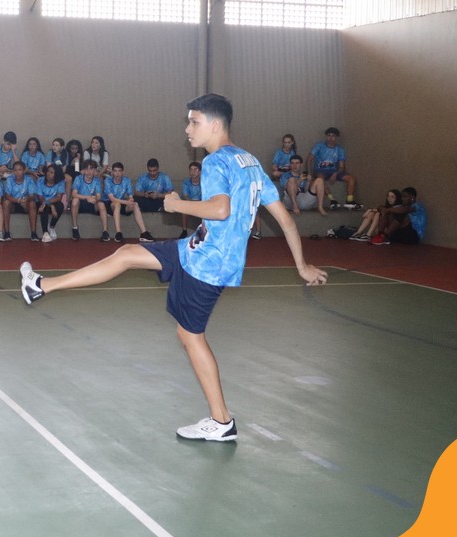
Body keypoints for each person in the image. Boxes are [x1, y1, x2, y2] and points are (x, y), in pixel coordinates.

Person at [18, 93, 327, 442]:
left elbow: (220, 209)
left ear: (214, 124)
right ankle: (40, 286)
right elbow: (285, 220)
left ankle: (222, 421)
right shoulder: (250, 162)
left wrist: (178, 204)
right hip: (194, 249)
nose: (187, 129)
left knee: (191, 336)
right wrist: (302, 266)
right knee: (127, 254)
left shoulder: (215, 162)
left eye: (194, 122)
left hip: (208, 264)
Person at [308, 127, 359, 207]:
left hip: (334, 171)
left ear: (337, 137)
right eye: (329, 135)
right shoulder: (319, 146)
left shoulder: (340, 150)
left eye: (333, 136)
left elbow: (342, 167)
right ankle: (332, 200)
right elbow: (309, 159)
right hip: (319, 170)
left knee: (351, 178)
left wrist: (335, 173)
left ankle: (349, 201)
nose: (330, 138)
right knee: (320, 179)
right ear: (326, 136)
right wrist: (309, 173)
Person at [104, 162, 153, 244]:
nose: (117, 173)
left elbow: (130, 196)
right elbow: (112, 199)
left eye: (119, 171)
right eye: (115, 171)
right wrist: (127, 202)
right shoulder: (108, 181)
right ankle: (118, 233)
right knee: (117, 204)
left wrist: (130, 200)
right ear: (112, 172)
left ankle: (144, 233)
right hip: (110, 204)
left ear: (123, 172)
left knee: (135, 204)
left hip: (122, 202)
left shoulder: (126, 180)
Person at [133, 157, 171, 243]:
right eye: (150, 171)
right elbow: (136, 192)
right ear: (147, 169)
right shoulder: (143, 177)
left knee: (171, 199)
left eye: (154, 171)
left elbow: (171, 193)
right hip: (147, 200)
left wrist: (159, 195)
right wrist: (145, 194)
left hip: (159, 200)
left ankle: (160, 207)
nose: (152, 173)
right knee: (134, 199)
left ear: (158, 169)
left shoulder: (164, 177)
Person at [69, 159, 107, 241]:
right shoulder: (78, 178)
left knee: (101, 204)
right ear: (83, 170)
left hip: (92, 203)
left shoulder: (96, 181)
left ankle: (105, 231)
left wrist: (94, 198)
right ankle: (75, 227)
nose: (89, 172)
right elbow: (74, 194)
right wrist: (87, 197)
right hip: (81, 203)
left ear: (95, 170)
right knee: (75, 201)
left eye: (91, 169)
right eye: (86, 169)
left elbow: (98, 196)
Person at [1, 160, 39, 242]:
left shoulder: (29, 179)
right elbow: (7, 195)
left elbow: (32, 195)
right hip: (13, 203)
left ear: (24, 170)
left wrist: (26, 200)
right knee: (5, 203)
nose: (17, 172)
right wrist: (18, 200)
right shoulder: (10, 179)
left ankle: (33, 233)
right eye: (15, 170)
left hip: (25, 203)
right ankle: (6, 233)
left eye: (20, 170)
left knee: (32, 203)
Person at [36, 163, 67, 243]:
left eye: (52, 172)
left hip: (52, 202)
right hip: (41, 203)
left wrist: (49, 204)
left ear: (56, 175)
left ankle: (52, 226)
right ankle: (45, 233)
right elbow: (40, 197)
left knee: (60, 206)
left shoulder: (60, 182)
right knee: (44, 208)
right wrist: (49, 205)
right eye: (48, 171)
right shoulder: (40, 180)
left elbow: (58, 198)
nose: (48, 174)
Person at [179, 161, 203, 239]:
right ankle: (184, 231)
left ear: (200, 171)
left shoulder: (204, 182)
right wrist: (193, 204)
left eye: (195, 169)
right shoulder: (186, 182)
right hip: (189, 203)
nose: (193, 172)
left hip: (201, 204)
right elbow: (185, 196)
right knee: (183, 208)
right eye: (191, 169)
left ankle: (203, 231)